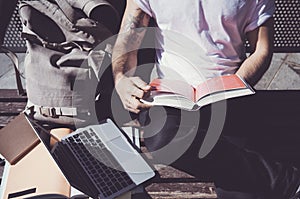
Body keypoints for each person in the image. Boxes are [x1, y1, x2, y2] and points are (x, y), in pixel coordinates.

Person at [111, 0, 300, 198]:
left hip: (228, 94)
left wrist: (236, 84)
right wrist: (121, 78)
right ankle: (285, 180)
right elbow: (130, 33)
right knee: (162, 138)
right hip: (171, 94)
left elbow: (261, 49)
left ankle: (279, 180)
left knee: (241, 190)